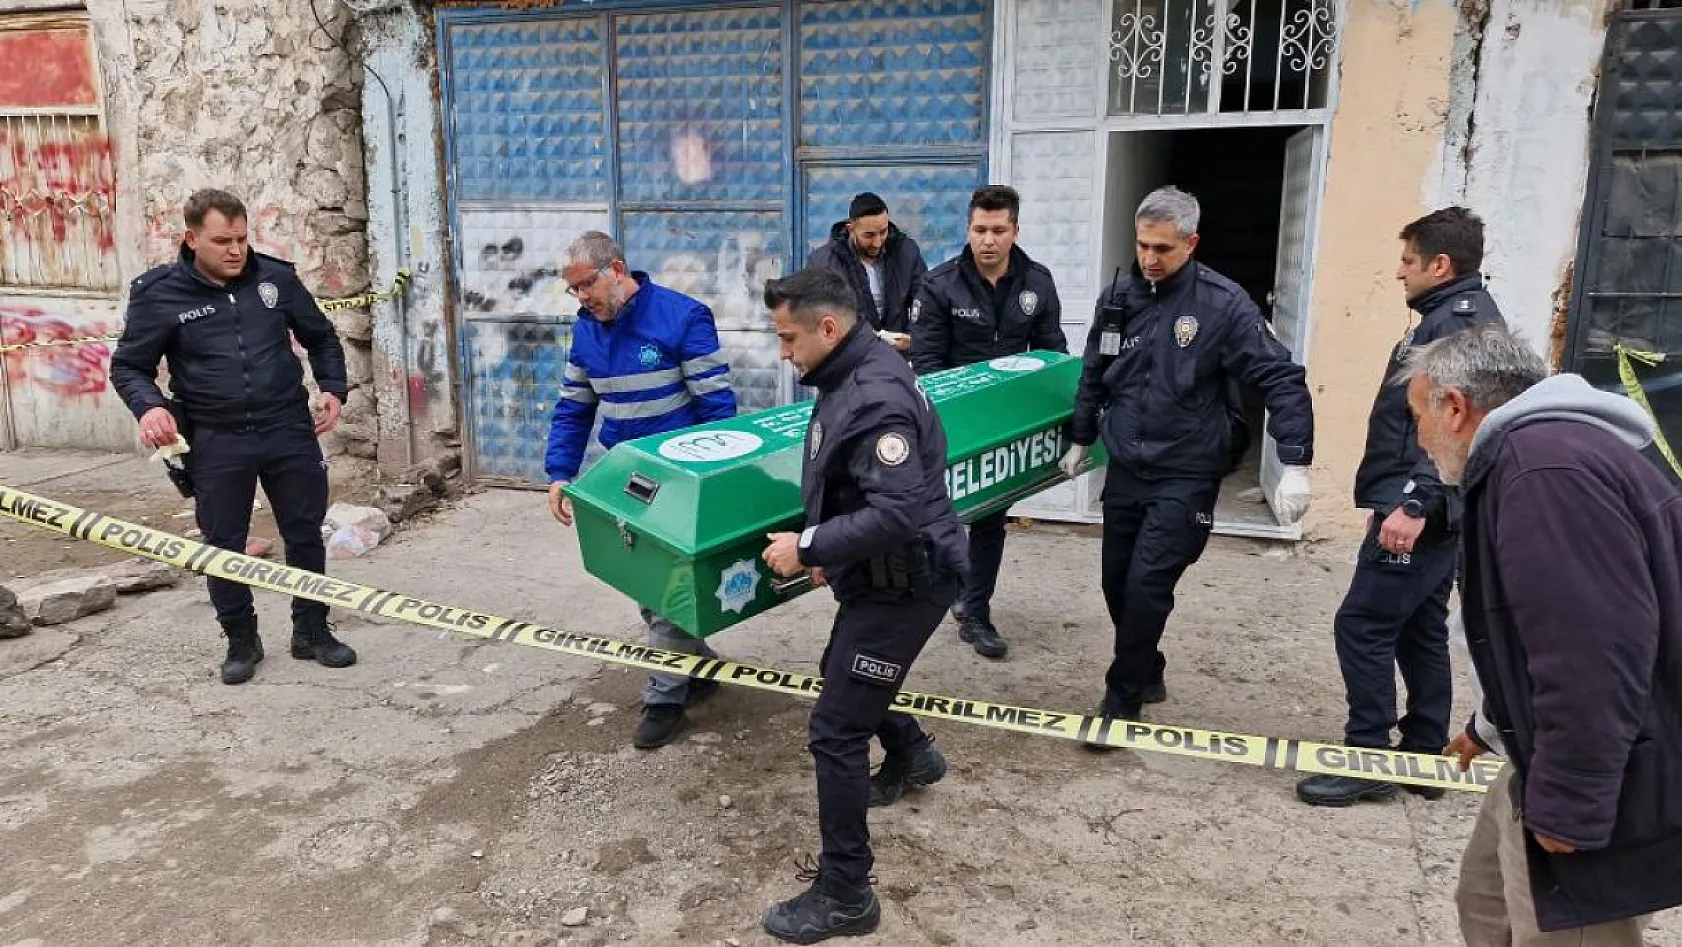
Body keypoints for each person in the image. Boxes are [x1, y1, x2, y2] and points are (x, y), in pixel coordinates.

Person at [1402, 323, 1682, 945]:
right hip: (1543, 745)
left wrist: (1573, 802)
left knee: (1561, 930)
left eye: (1417, 415)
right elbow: (1531, 629)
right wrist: (1487, 725)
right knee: (1486, 902)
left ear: (1454, 407)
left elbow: (1593, 651)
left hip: (1603, 755)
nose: (1417, 439)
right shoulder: (1533, 459)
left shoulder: (1544, 471)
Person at [758, 268, 966, 944]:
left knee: (836, 727)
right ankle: (913, 754)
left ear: (828, 327)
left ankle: (847, 893)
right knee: (843, 670)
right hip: (883, 573)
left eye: (789, 338)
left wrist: (811, 546)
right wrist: (837, 551)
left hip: (909, 579)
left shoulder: (874, 394)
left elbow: (898, 511)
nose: (783, 352)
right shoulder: (851, 369)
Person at [1063, 185, 1314, 729]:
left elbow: (1280, 377)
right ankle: (1146, 665)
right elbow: (1094, 369)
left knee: (1148, 583)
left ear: (1191, 243)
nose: (1149, 259)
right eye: (1142, 246)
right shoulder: (1120, 298)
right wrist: (1082, 436)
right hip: (1129, 462)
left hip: (1188, 469)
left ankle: (1121, 700)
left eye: (1163, 249)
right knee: (1117, 583)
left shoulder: (1223, 306)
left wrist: (1294, 461)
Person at [1298, 206, 1506, 807]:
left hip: (1423, 503)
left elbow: (1450, 423)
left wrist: (1413, 504)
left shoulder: (1455, 326)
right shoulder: (1454, 316)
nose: (1399, 273)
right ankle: (1422, 758)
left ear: (1441, 264)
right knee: (1419, 626)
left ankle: (1366, 757)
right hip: (1438, 503)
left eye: (1408, 261)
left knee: (1361, 624)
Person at [110, 188, 355, 685]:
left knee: (305, 533)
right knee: (223, 544)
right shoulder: (159, 293)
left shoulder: (276, 279)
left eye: (242, 239)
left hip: (288, 428)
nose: (235, 251)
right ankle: (241, 640)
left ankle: (312, 629)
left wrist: (333, 388)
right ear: (191, 238)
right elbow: (129, 367)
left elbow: (321, 336)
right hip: (215, 437)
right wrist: (150, 406)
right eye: (222, 240)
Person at [544, 231, 738, 750]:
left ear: (618, 269)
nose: (582, 297)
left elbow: (717, 408)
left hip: (681, 477)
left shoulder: (683, 317)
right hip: (625, 475)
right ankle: (699, 667)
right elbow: (573, 409)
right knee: (645, 583)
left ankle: (664, 698)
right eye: (574, 290)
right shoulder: (585, 333)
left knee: (668, 583)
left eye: (587, 285)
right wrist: (560, 474)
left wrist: (715, 481)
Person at [909, 184, 1067, 659]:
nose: (988, 240)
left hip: (1004, 424)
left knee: (991, 516)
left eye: (998, 230)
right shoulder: (939, 286)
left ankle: (975, 611)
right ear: (968, 229)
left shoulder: (1037, 283)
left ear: (1015, 230)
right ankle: (935, 597)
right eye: (980, 229)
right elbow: (927, 365)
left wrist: (1050, 421)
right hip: (947, 422)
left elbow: (1050, 355)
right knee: (939, 518)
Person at [804, 191, 928, 354]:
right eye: (869, 235)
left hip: (897, 359)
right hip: (848, 362)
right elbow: (814, 318)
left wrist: (915, 338)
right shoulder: (823, 263)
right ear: (851, 229)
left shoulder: (906, 252)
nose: (877, 242)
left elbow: (926, 300)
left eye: (883, 232)